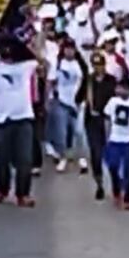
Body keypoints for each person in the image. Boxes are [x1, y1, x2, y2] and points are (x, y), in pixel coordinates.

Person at [0, 35, 38, 207]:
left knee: (25, 159)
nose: (7, 54)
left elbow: (40, 61)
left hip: (24, 118)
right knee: (2, 159)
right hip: (2, 120)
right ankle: (2, 190)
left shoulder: (26, 66)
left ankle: (23, 194)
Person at [47, 37, 88, 173]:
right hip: (62, 102)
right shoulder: (58, 64)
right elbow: (51, 81)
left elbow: (86, 82)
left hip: (77, 102)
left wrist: (84, 99)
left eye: (71, 48)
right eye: (66, 49)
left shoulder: (80, 64)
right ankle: (63, 157)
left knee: (79, 131)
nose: (69, 51)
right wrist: (49, 98)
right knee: (61, 132)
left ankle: (82, 157)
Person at [80, 50, 116, 201]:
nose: (98, 68)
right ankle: (99, 183)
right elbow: (79, 96)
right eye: (95, 65)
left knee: (111, 154)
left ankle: (116, 184)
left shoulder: (111, 80)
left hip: (107, 120)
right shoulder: (88, 80)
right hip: (92, 119)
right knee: (95, 152)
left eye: (100, 64)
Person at [103, 77, 129, 210]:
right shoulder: (112, 102)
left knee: (128, 169)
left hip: (128, 140)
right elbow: (108, 119)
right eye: (120, 88)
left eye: (125, 88)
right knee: (113, 165)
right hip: (114, 139)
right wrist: (107, 135)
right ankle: (116, 187)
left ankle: (128, 195)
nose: (122, 91)